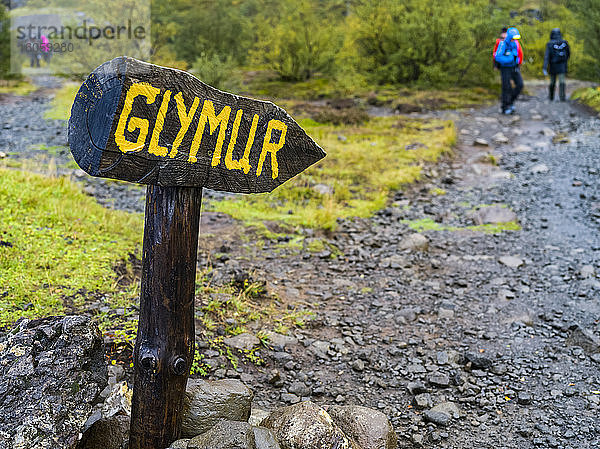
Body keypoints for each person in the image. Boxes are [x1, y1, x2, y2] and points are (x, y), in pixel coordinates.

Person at [494, 27, 524, 115]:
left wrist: (517, 61)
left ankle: (510, 102)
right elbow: (497, 57)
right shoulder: (502, 44)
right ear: (510, 36)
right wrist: (509, 59)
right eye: (513, 38)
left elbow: (519, 54)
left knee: (520, 84)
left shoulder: (515, 43)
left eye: (516, 38)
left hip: (514, 68)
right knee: (506, 87)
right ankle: (505, 107)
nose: (514, 40)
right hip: (505, 68)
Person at [543, 28, 570, 102]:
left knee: (552, 82)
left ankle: (551, 97)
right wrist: (565, 62)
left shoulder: (549, 44)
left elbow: (546, 56)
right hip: (562, 65)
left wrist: (545, 67)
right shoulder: (564, 43)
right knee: (562, 81)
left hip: (553, 65)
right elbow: (568, 54)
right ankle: (562, 97)